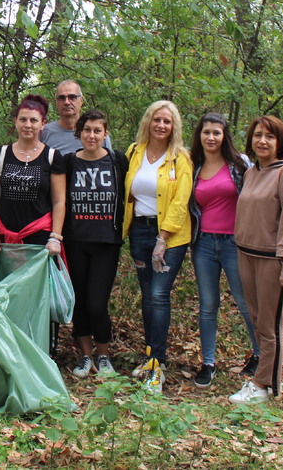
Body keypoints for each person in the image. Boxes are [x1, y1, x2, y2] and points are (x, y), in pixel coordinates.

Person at [229, 115, 283, 404]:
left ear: (280, 142)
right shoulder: (252, 173)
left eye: (270, 137)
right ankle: (260, 381)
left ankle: (264, 385)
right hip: (246, 255)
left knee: (270, 324)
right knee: (256, 319)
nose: (263, 141)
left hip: (272, 260)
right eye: (258, 135)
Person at [0, 95, 67, 354]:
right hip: (5, 239)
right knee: (7, 295)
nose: (27, 124)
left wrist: (55, 237)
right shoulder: (2, 154)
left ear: (43, 124)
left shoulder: (53, 157)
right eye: (23, 119)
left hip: (39, 238)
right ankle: (9, 350)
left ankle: (43, 351)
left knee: (39, 296)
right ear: (15, 122)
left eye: (34, 120)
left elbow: (59, 201)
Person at [122, 99, 193, 392]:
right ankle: (150, 356)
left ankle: (157, 364)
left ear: (173, 126)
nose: (161, 126)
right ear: (148, 122)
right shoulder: (134, 152)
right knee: (147, 295)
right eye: (157, 120)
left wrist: (162, 239)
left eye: (167, 121)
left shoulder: (180, 158)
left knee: (159, 294)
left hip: (170, 236)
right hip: (139, 230)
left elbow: (181, 200)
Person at [188, 112, 259, 388]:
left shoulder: (240, 164)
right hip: (204, 243)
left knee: (244, 303)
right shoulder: (194, 166)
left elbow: (256, 196)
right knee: (208, 305)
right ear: (200, 135)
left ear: (224, 136)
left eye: (216, 133)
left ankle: (259, 354)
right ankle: (208, 363)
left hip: (234, 243)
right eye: (206, 132)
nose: (211, 137)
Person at [63, 110, 127, 378]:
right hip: (76, 240)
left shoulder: (117, 161)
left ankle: (104, 355)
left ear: (105, 134)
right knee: (79, 301)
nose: (91, 135)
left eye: (97, 130)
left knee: (97, 304)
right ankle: (84, 355)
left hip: (106, 242)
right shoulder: (68, 162)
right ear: (79, 132)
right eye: (87, 130)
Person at [40, 79, 111, 155]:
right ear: (56, 102)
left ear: (81, 100)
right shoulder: (44, 133)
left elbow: (108, 163)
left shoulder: (96, 134)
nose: (67, 102)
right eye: (62, 98)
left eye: (72, 97)